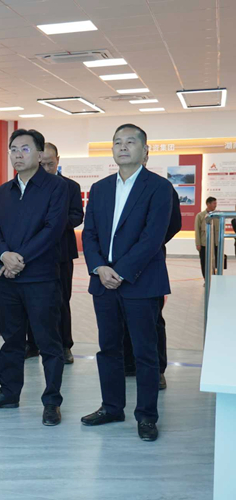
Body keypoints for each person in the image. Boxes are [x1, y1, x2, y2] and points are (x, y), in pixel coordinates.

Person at [80, 124, 173, 442]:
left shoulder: (159, 188)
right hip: (103, 282)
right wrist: (99, 267)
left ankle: (146, 416)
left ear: (145, 150)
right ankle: (111, 407)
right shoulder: (100, 188)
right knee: (108, 348)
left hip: (140, 282)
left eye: (130, 142)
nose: (123, 147)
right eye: (117, 142)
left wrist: (119, 271)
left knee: (145, 352)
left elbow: (153, 237)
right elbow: (89, 233)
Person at [0, 129, 68, 428]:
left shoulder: (56, 188)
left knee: (48, 343)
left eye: (25, 149)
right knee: (11, 340)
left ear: (40, 154)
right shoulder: (4, 191)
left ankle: (51, 401)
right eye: (13, 149)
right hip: (9, 279)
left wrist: (19, 259)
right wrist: (4, 255)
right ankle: (9, 392)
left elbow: (52, 230)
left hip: (41, 278)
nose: (18, 154)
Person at [123, 153, 181, 391]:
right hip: (117, 264)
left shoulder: (160, 187)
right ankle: (128, 363)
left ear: (145, 155)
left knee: (152, 319)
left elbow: (173, 223)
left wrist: (151, 244)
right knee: (122, 317)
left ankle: (157, 370)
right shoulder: (113, 187)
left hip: (149, 263)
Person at [195, 197, 219, 279]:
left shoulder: (217, 215)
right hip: (204, 244)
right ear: (208, 204)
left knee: (215, 262)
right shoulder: (200, 215)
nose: (215, 205)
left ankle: (215, 278)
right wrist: (198, 243)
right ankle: (206, 278)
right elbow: (197, 230)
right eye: (214, 203)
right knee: (204, 262)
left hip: (215, 243)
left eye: (216, 203)